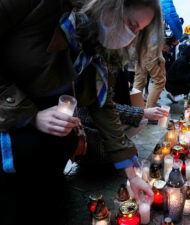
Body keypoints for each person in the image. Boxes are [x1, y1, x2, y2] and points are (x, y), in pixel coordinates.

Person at [0, 0, 163, 224]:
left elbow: (101, 103)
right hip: (9, 142)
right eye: (131, 25)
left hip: (46, 154)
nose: (131, 37)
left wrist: (132, 173)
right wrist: (29, 115)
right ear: (111, 6)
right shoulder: (38, 8)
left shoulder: (94, 45)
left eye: (138, 32)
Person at [134, 35, 166, 108]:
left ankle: (135, 110)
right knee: (159, 81)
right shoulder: (159, 25)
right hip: (152, 49)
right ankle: (149, 111)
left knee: (139, 80)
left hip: (139, 48)